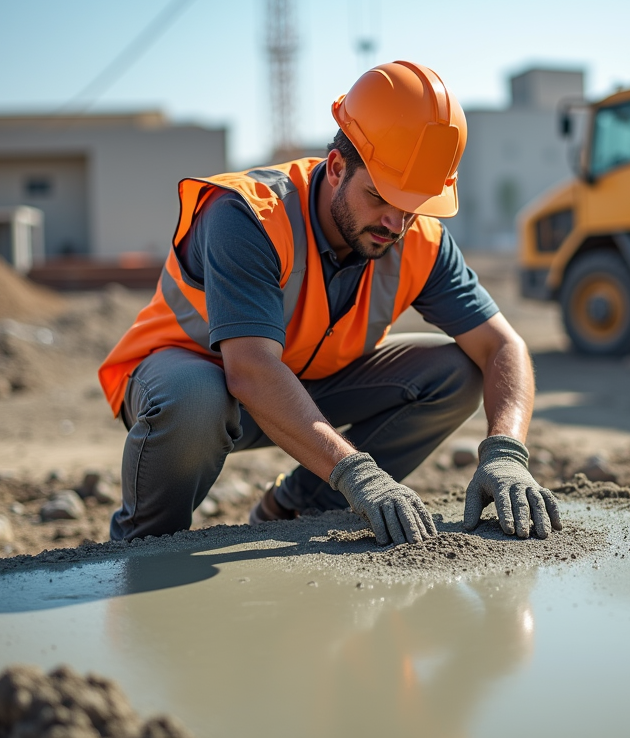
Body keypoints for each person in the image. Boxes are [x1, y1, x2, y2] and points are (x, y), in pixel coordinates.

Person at [98, 61, 562, 546]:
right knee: (194, 398)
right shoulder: (248, 214)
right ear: (337, 167)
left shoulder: (420, 239)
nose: (395, 222)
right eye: (382, 196)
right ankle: (142, 546)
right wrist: (360, 474)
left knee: (456, 371)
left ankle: (300, 507)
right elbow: (251, 369)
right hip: (194, 387)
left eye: (414, 203)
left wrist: (506, 451)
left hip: (301, 387)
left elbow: (501, 347)